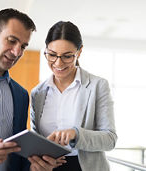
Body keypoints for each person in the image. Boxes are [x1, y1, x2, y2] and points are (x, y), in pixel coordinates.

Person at [0, 8, 62, 171]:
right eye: (11, 41)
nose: (17, 52)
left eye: (23, 46)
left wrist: (35, 166)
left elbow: (17, 153)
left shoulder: (21, 95)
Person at [30, 21, 117, 171]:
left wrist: (76, 134)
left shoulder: (97, 86)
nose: (58, 62)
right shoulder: (37, 93)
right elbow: (37, 139)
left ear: (79, 52)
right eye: (52, 55)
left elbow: (110, 139)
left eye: (67, 56)